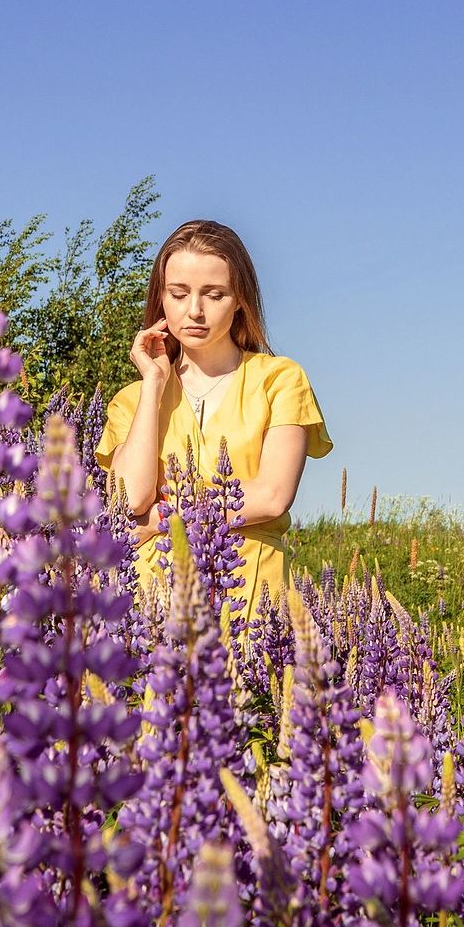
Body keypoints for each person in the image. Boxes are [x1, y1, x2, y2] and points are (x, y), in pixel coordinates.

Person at [93, 220, 333, 626]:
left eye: (215, 294)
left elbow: (273, 496)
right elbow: (130, 500)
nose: (195, 311)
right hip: (158, 600)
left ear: (240, 299)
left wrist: (166, 517)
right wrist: (153, 383)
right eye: (179, 294)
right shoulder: (131, 401)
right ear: (161, 299)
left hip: (252, 594)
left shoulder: (280, 379)